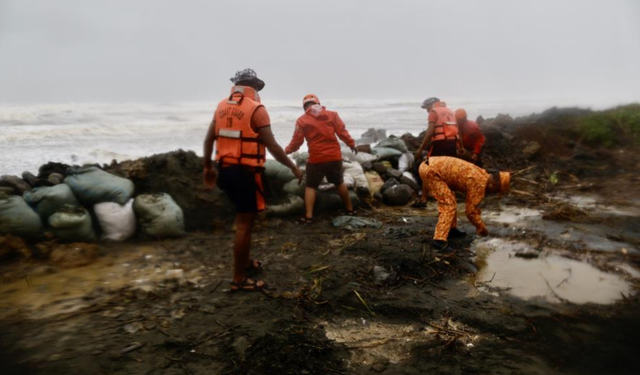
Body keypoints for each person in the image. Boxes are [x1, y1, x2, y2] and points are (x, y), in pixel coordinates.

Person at [203, 69, 303, 292]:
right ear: (253, 86)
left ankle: (245, 262)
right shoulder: (257, 109)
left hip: (226, 171)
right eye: (257, 87)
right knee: (244, 226)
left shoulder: (221, 106)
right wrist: (293, 166)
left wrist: (208, 167)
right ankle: (239, 278)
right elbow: (273, 146)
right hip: (246, 173)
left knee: (244, 220)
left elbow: (210, 138)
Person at [285, 94, 357, 223]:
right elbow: (342, 132)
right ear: (318, 103)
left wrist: (286, 151)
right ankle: (350, 209)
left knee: (311, 186)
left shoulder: (302, 120)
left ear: (304, 107)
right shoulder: (332, 115)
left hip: (316, 159)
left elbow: (297, 142)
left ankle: (309, 217)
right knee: (339, 182)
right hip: (334, 157)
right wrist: (351, 144)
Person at [419, 156, 510, 253]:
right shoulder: (480, 184)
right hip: (432, 172)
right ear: (494, 184)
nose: (494, 193)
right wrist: (481, 227)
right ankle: (439, 240)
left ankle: (451, 229)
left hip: (430, 166)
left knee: (451, 199)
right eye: (496, 191)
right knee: (448, 204)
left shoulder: (482, 173)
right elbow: (470, 211)